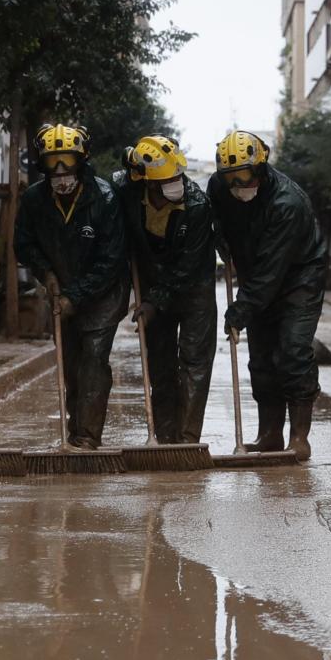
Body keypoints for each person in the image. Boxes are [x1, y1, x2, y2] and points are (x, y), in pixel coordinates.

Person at [207, 131, 326, 461]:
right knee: (261, 357)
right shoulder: (219, 189)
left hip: (299, 276)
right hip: (255, 272)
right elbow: (215, 218)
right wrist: (221, 241)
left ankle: (299, 437)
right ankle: (269, 434)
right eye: (229, 178)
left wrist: (240, 310)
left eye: (243, 177)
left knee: (292, 350)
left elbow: (271, 271)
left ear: (260, 169)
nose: (236, 186)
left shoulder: (287, 203)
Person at [15, 124, 129, 451]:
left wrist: (75, 297)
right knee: (72, 366)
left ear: (82, 160)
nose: (61, 170)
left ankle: (87, 437)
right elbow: (24, 244)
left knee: (93, 360)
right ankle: (74, 428)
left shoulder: (105, 199)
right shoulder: (34, 199)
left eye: (68, 161)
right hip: (60, 293)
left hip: (103, 296)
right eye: (53, 162)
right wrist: (47, 275)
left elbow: (111, 261)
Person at [115, 135, 217, 444]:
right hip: (151, 282)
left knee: (193, 365)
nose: (175, 185)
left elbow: (186, 268)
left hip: (193, 287)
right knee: (159, 364)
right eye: (165, 181)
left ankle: (186, 441)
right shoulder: (126, 192)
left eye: (177, 177)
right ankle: (164, 437)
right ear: (147, 183)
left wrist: (153, 303)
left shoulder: (197, 206)